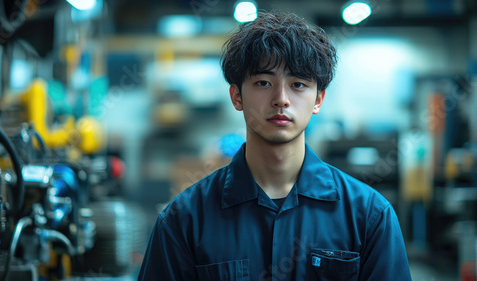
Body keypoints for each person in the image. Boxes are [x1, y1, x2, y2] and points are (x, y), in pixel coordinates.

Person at [138, 11, 411, 281]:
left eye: (298, 84)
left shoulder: (369, 216)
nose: (281, 99)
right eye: (263, 82)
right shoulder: (184, 220)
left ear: (318, 100)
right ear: (236, 96)